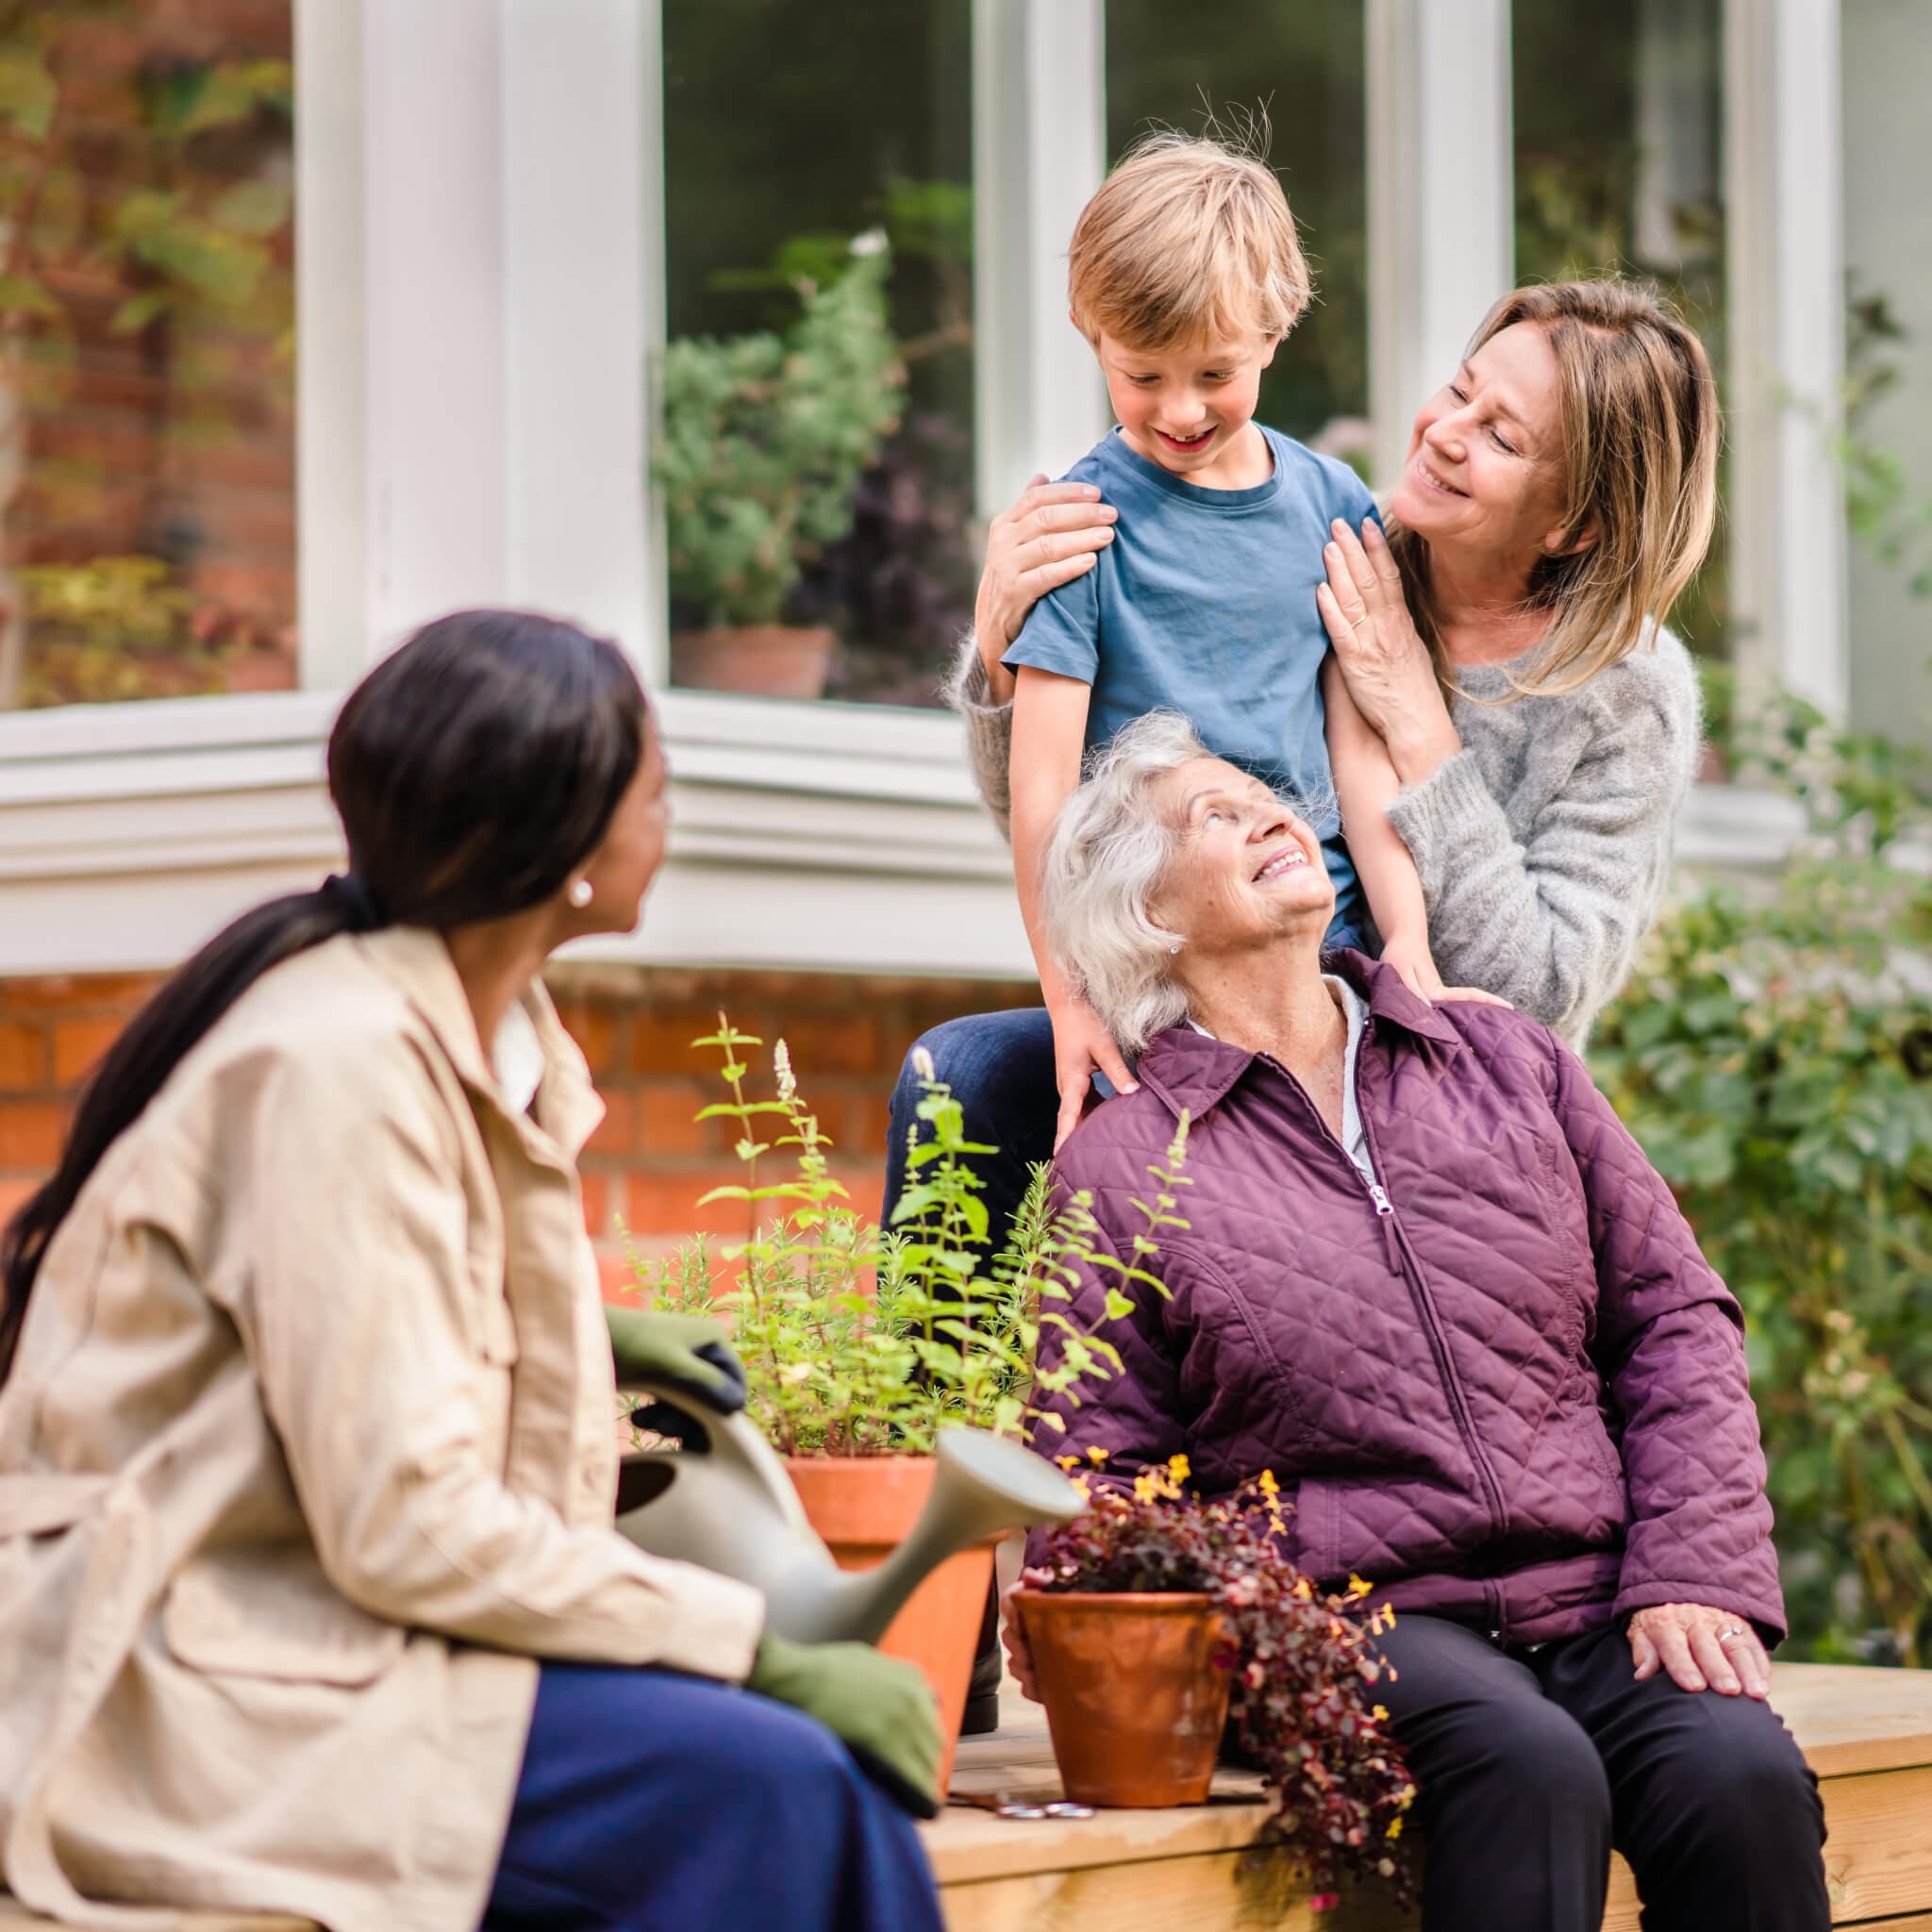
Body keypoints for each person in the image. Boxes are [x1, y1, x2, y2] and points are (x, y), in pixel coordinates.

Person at [0, 611, 944, 1932]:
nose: (672, 810)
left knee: (784, 1785)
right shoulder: (338, 1065)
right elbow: (409, 1528)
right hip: (203, 1677)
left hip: (340, 1634)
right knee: (777, 1785)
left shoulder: (497, 1040)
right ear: (559, 839)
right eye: (654, 783)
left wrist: (589, 1333)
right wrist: (758, 1655)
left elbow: (363, 1319)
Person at [1005, 710, 1829, 1932]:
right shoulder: (1125, 1169)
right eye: (1211, 817)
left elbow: (1674, 1320)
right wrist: (1252, 1630)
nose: (1270, 816)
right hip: (1353, 1614)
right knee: (1526, 1768)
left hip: (1600, 1588)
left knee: (1741, 1778)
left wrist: (1693, 1571)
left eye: (1263, 795)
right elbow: (1093, 1481)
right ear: (1150, 918)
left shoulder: (1505, 1060)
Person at [899, 278, 1715, 1280]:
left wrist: (1417, 721)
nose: (1444, 434)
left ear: (1573, 525)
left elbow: (1526, 994)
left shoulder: (1625, 693)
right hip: (1201, 1002)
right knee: (965, 1078)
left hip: (1429, 1091)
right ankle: (936, 1431)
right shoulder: (1330, 545)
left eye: (1499, 436)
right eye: (1457, 391)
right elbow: (1087, 825)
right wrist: (1008, 651)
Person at [996, 128, 1475, 1165]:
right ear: (1091, 338)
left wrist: (1405, 941)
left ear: (1272, 329)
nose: (1177, 408)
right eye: (1140, 373)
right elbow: (1041, 795)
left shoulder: (1330, 509)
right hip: (1163, 975)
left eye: (1213, 371)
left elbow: (1355, 753)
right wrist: (1067, 997)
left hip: (1324, 955)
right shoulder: (1079, 529)